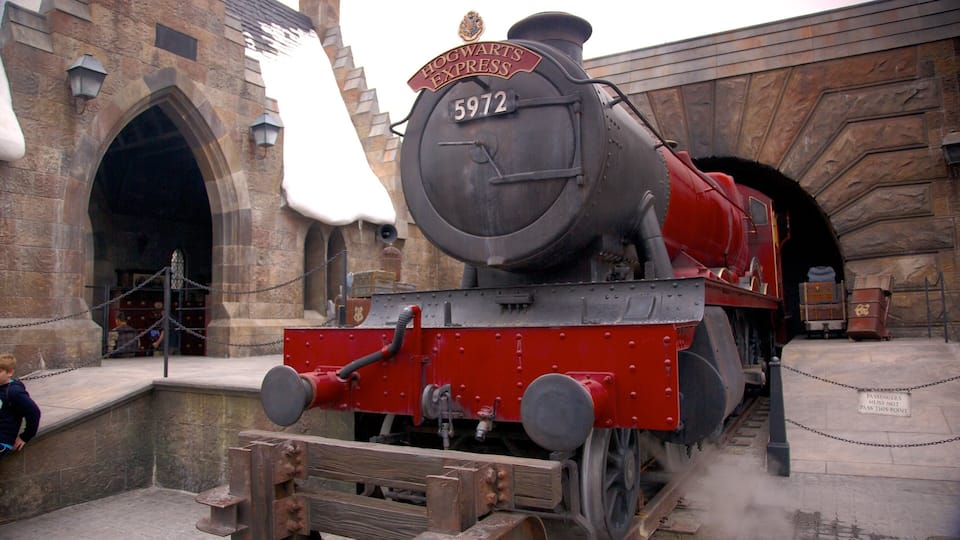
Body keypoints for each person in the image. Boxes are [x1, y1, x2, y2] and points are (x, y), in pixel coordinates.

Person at [0, 353, 41, 457]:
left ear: (10, 372)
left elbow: (34, 412)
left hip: (3, 440)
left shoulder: (14, 392)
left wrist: (25, 436)